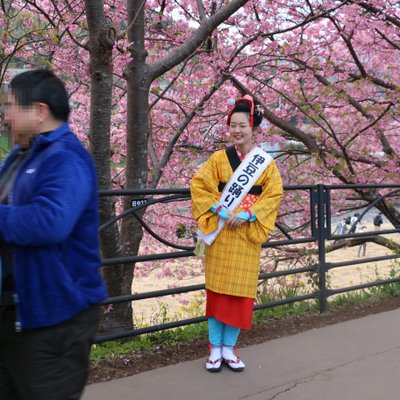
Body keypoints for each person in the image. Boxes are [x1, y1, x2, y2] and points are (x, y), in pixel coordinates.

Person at [0, 69, 107, 400]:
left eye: (10, 106)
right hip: (20, 315)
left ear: (40, 111)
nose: (5, 117)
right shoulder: (21, 156)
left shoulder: (67, 158)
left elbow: (50, 221)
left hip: (56, 319)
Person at [190, 95, 283, 372]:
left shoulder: (265, 164)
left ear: (254, 128)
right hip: (220, 236)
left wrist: (250, 213)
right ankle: (214, 348)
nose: (237, 130)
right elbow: (199, 185)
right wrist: (218, 208)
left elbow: (274, 193)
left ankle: (229, 348)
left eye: (242, 125)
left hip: (245, 237)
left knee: (239, 296)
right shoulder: (219, 159)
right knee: (217, 294)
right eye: (233, 125)